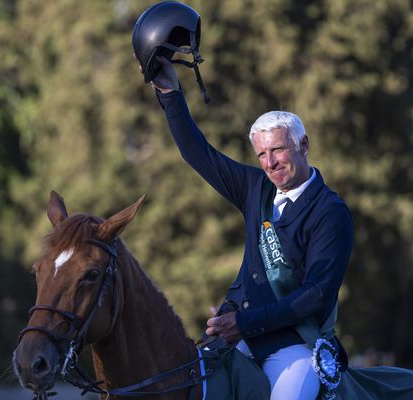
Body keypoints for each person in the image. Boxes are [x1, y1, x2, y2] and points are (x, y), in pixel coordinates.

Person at [142, 56, 353, 400]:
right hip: (239, 341)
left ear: (304, 145)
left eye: (278, 150)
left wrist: (243, 323)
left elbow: (315, 297)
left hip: (295, 350)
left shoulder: (331, 213)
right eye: (261, 154)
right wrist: (169, 92)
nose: (269, 163)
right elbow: (199, 154)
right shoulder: (256, 187)